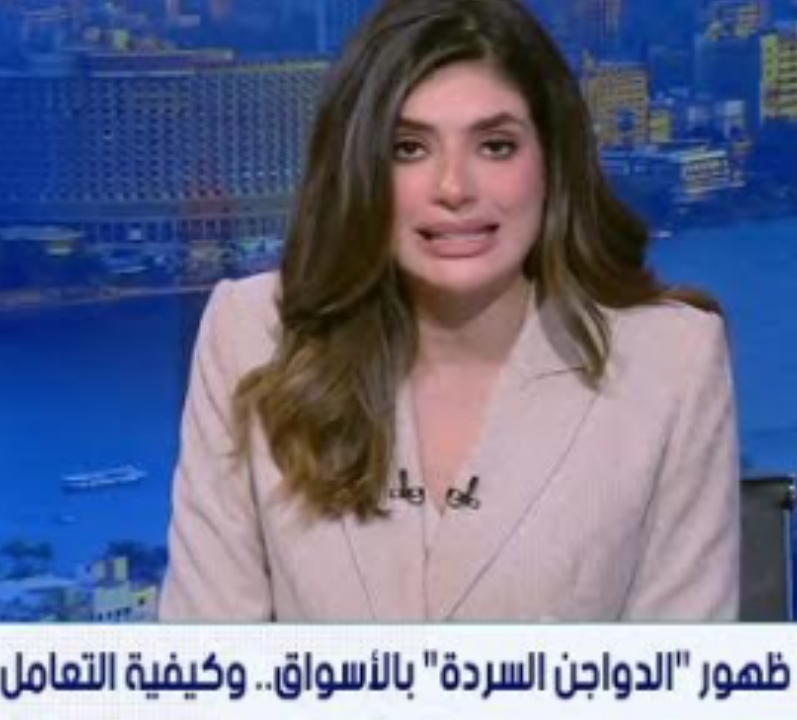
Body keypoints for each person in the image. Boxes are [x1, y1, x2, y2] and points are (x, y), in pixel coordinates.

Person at [159, 0, 739, 621]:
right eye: (408, 148)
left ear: (552, 160)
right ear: (358, 170)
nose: (454, 188)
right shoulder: (250, 335)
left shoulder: (672, 363)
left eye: (496, 146)